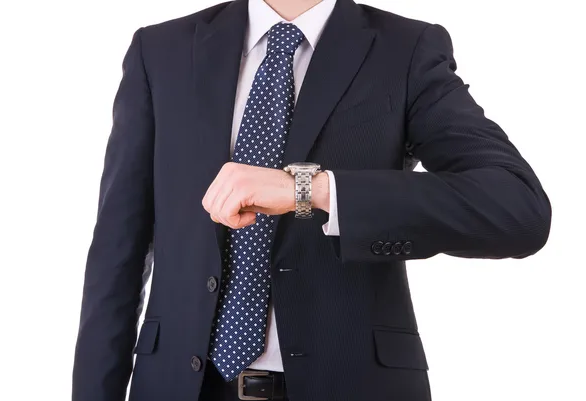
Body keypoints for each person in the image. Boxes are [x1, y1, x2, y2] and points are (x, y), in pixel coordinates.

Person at [72, 0, 551, 400]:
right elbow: (119, 250)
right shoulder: (161, 51)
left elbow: (516, 208)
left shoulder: (405, 50)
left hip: (351, 385)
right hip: (179, 386)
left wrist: (313, 190)